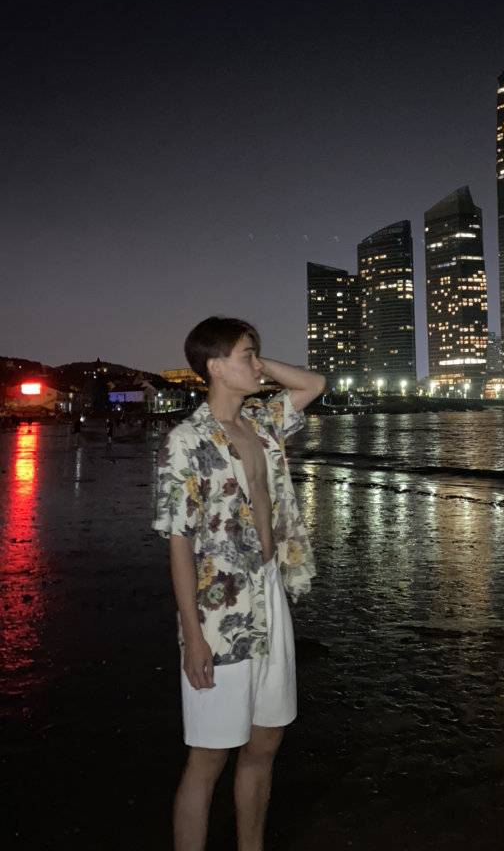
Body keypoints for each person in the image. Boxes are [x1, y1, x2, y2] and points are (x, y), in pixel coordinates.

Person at [152, 316, 325, 851]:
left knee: (265, 744)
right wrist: (193, 636)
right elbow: (179, 542)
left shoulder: (263, 422)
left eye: (256, 354)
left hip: (270, 590)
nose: (257, 365)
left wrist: (257, 361)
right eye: (246, 355)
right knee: (208, 755)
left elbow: (314, 384)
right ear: (215, 367)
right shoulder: (186, 441)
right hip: (218, 610)